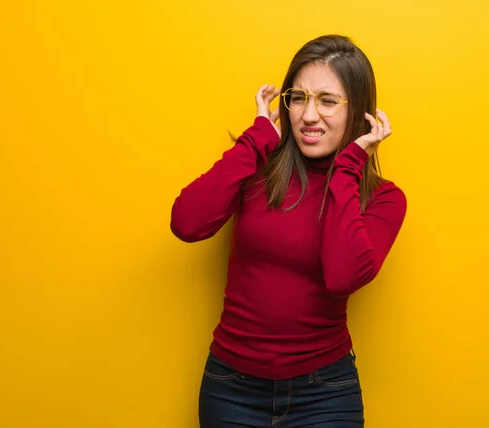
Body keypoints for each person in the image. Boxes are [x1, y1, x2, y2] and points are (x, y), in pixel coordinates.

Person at [170, 34, 407, 427]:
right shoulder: (257, 170)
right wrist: (257, 138)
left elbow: (342, 277)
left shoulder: (383, 199)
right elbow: (187, 223)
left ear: (362, 113)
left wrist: (347, 169)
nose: (308, 116)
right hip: (231, 388)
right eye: (298, 98)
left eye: (328, 101)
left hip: (325, 392)